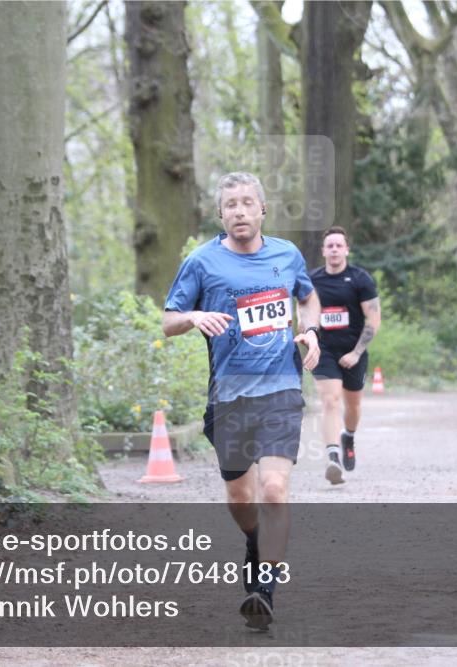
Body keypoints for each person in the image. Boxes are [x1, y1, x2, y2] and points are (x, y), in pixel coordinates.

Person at [162, 172, 321, 630]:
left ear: (262, 210)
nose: (239, 211)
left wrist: (309, 332)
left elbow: (308, 299)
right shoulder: (202, 262)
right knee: (239, 497)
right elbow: (168, 321)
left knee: (274, 489)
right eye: (230, 204)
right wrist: (193, 316)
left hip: (281, 391)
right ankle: (253, 544)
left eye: (247, 203)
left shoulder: (286, 255)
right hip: (229, 396)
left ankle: (264, 588)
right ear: (220, 214)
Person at [309, 226, 381, 485]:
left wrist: (356, 352)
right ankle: (332, 458)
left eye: (339, 245)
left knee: (353, 405)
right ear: (323, 251)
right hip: (324, 350)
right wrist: (310, 341)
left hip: (354, 349)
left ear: (347, 250)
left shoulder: (361, 279)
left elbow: (373, 320)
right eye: (330, 246)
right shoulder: (312, 280)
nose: (335, 250)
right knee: (330, 400)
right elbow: (304, 313)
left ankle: (348, 436)